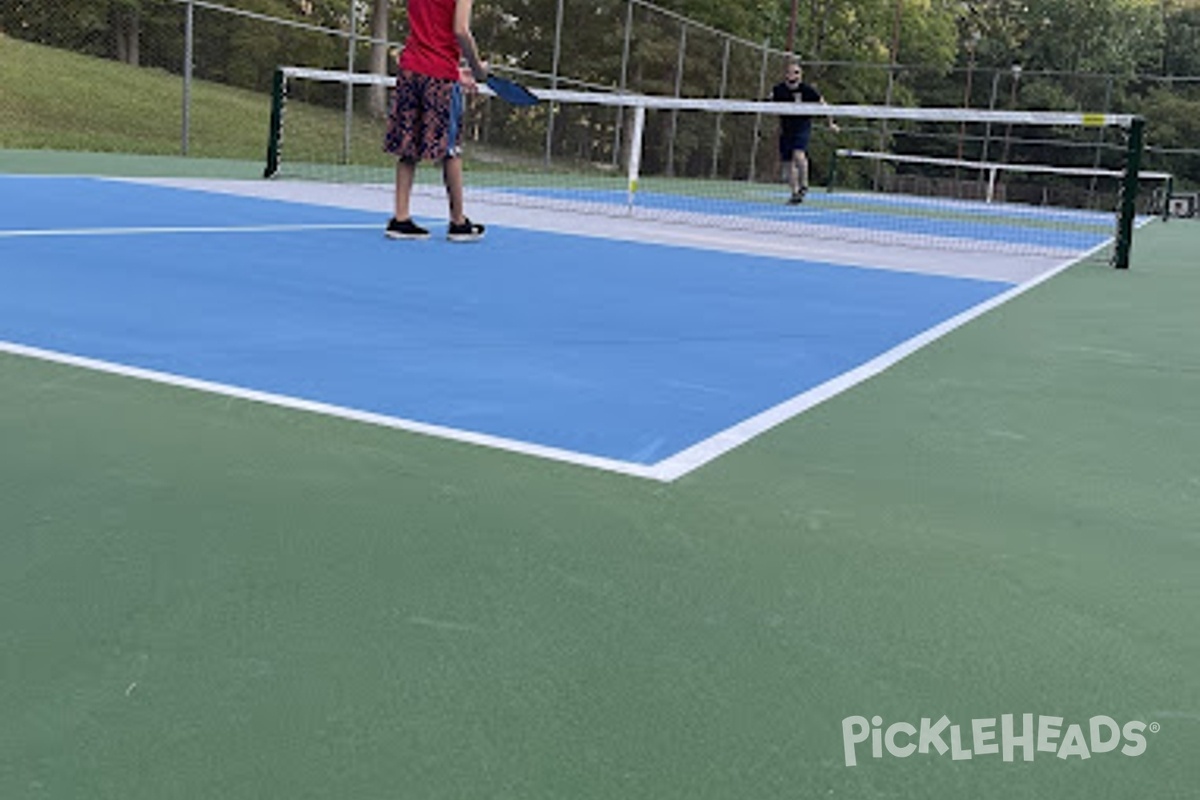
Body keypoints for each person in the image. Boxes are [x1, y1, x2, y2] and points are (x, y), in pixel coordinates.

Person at [383, 0, 489, 242]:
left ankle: (400, 218)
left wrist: (456, 70)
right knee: (450, 150)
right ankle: (458, 222)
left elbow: (428, 32)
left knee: (408, 147)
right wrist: (477, 68)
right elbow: (460, 30)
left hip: (411, 70)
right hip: (439, 77)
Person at [771, 61, 838, 204]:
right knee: (788, 162)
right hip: (786, 129)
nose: (793, 75)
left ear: (801, 75)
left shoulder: (807, 90)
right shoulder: (778, 90)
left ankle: (804, 184)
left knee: (798, 154)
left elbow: (823, 105)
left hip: (802, 127)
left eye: (797, 72)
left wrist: (831, 123)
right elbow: (768, 102)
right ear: (786, 75)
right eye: (790, 72)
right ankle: (795, 193)